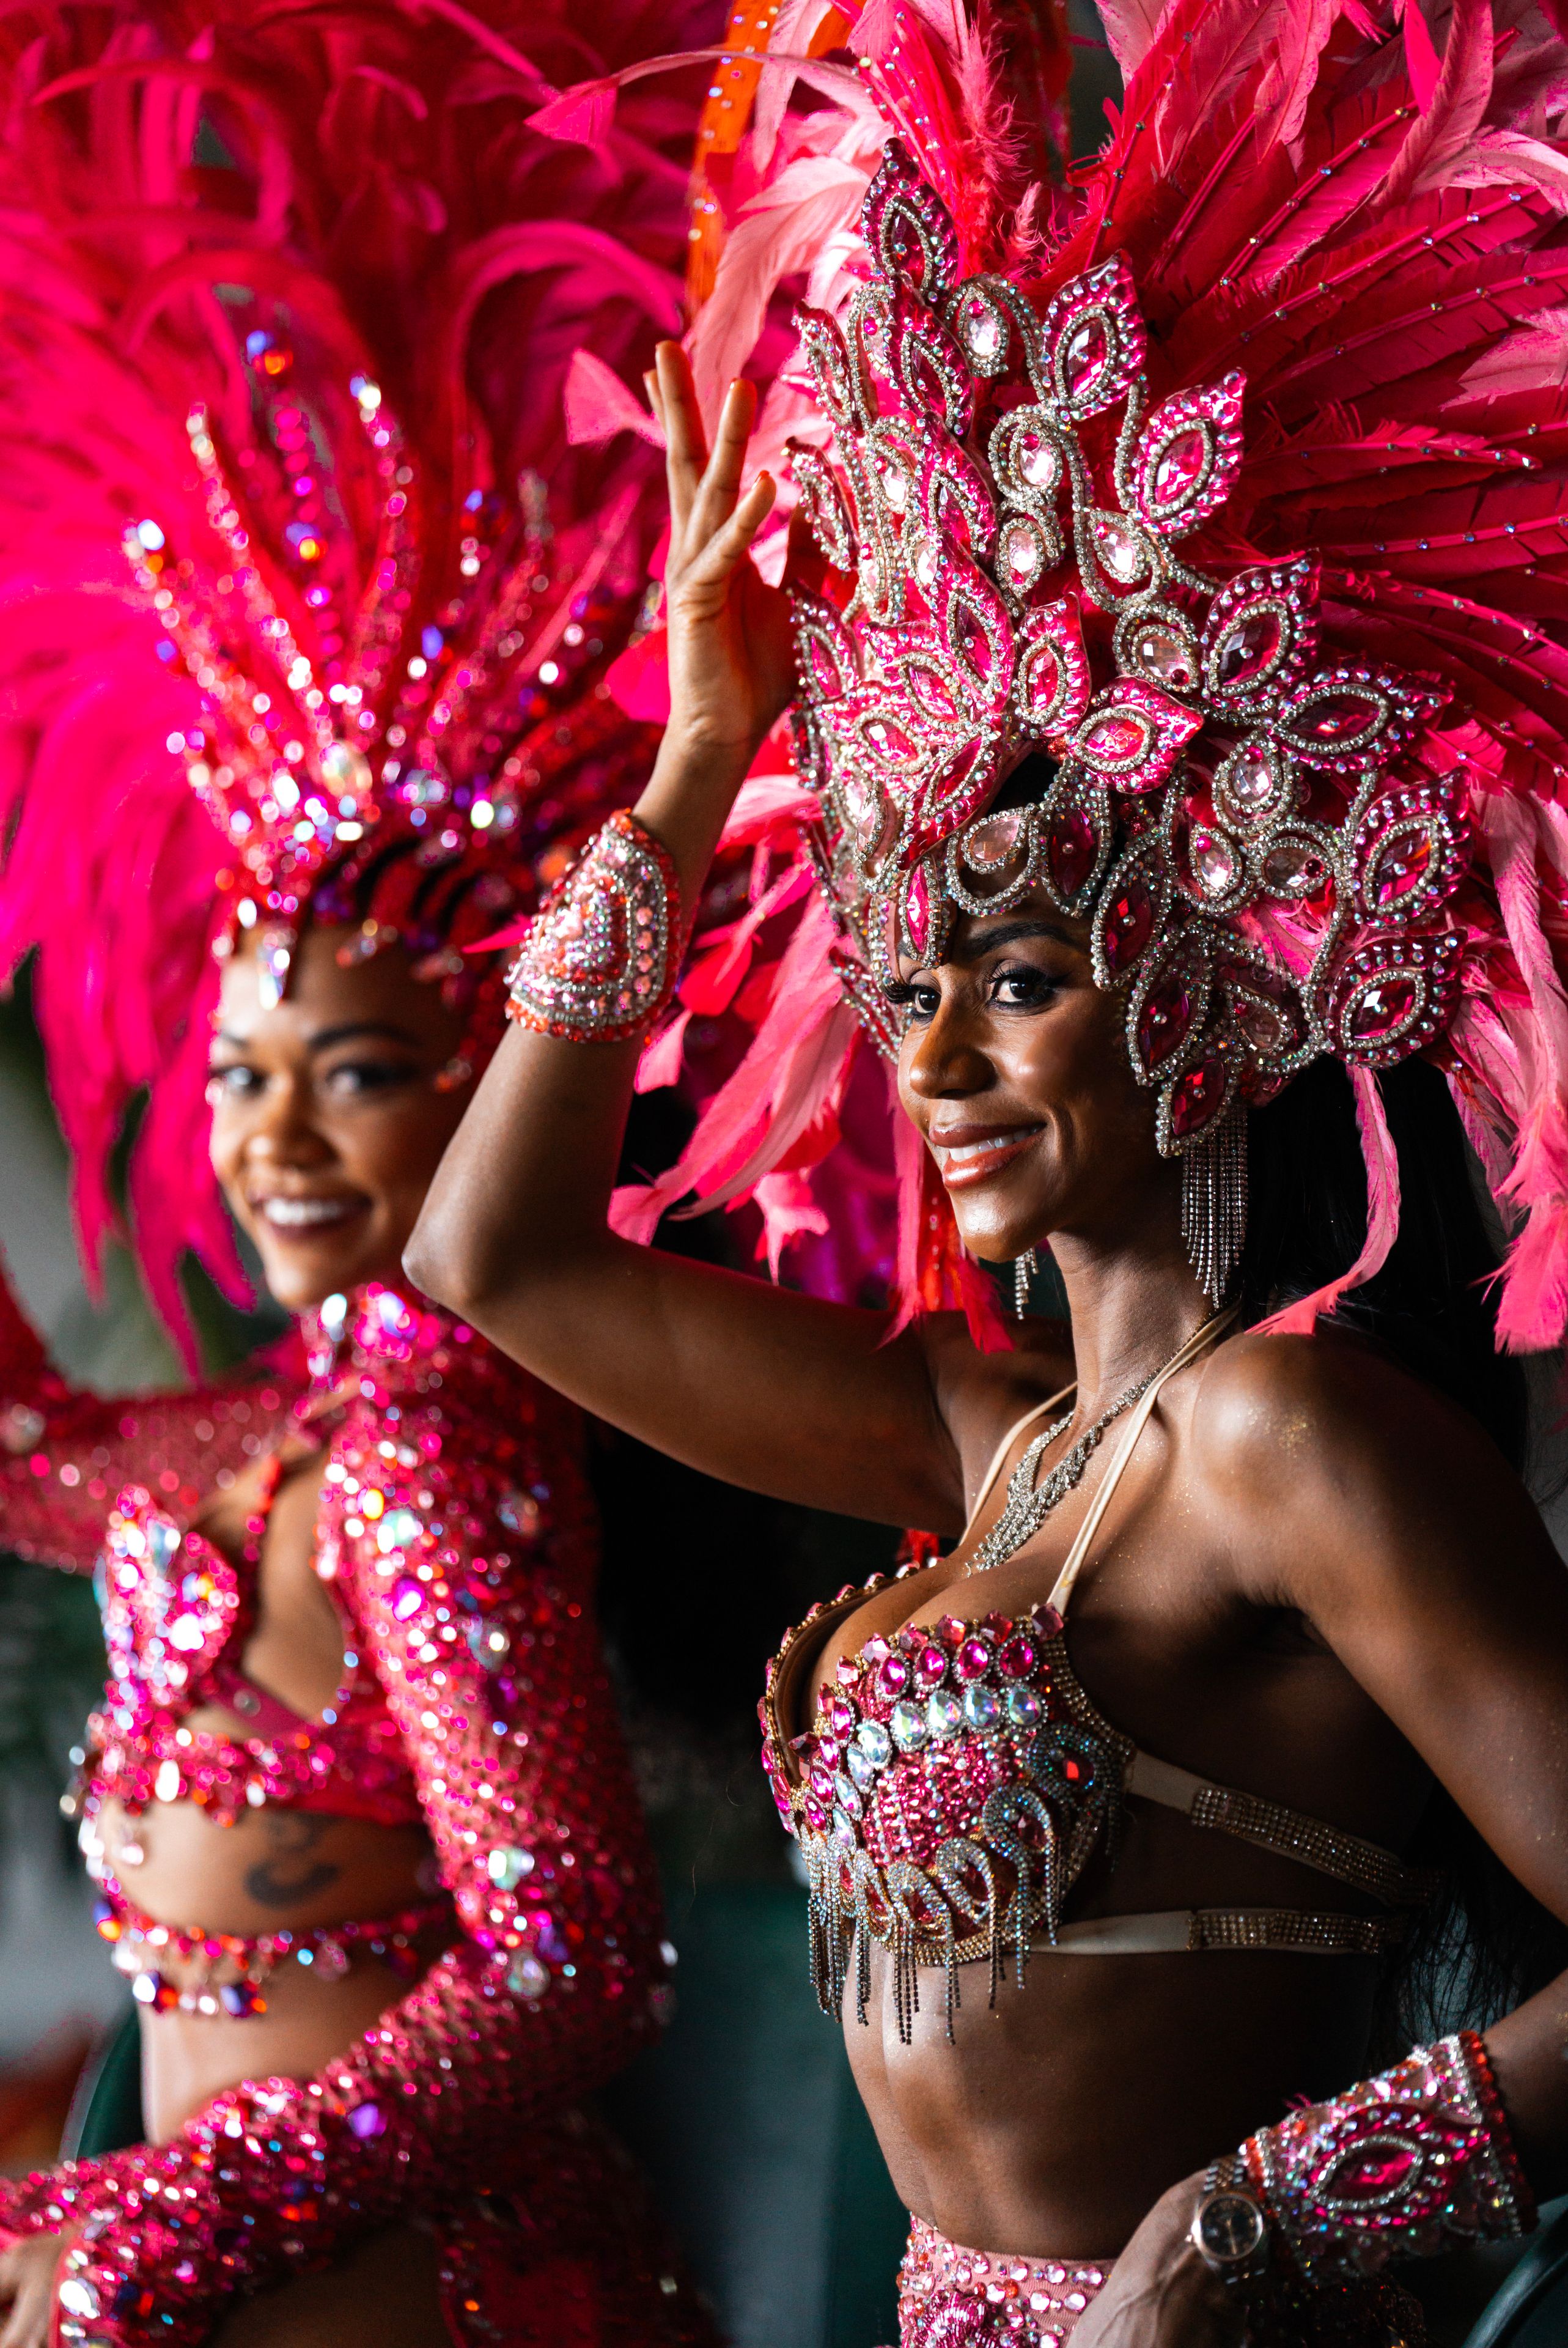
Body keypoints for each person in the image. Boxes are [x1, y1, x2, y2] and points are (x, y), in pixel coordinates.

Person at [407, 1, 1568, 2341]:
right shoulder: (994, 1440)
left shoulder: (1285, 1440)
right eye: (906, 982)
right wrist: (697, 756)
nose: (931, 1053)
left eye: (1017, 978)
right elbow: (493, 1256)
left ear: (1219, 979)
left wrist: (1263, 2219)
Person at [0, 4, 721, 2342]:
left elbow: (577, 1959)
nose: (273, 1132)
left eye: (360, 1069)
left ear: (484, 1090)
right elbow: (34, 1457)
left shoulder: (434, 1444)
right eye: (242, 1070)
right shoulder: (274, 1435)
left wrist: (159, 2228)